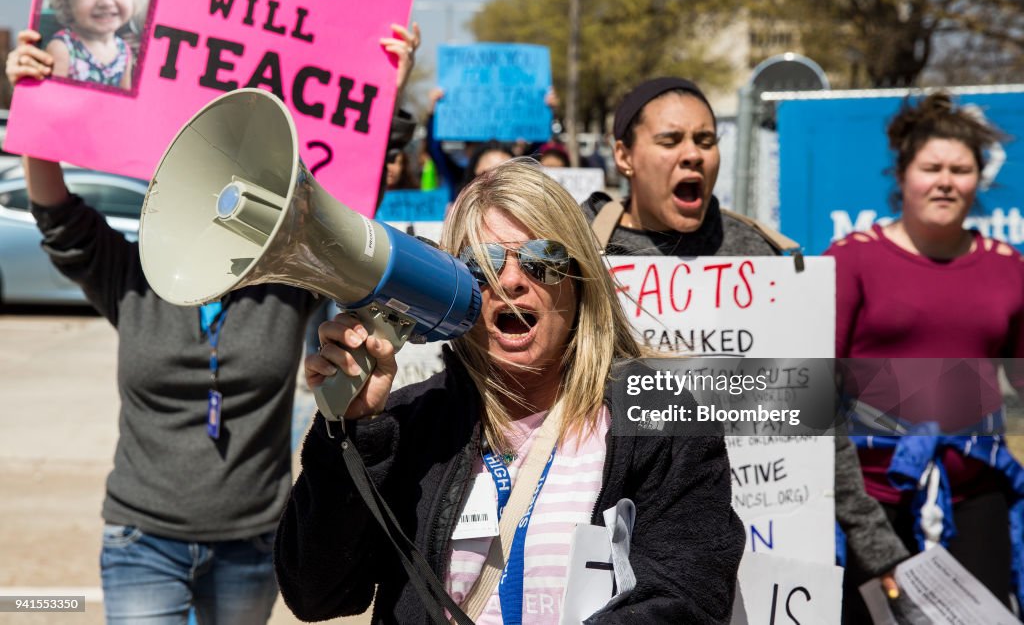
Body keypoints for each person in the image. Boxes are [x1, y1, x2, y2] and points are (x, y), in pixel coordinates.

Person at [7, 19, 421, 624]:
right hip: (141, 543)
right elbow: (56, 215)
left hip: (251, 544)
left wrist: (383, 88)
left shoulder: (287, 280)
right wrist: (37, 99)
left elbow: (348, 222)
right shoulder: (132, 275)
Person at [276, 160, 745, 623]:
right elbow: (317, 594)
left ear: (580, 281)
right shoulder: (411, 424)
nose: (513, 280)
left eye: (544, 260)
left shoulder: (660, 419)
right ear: (451, 290)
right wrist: (351, 432)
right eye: (482, 265)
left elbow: (687, 598)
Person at [582, 77, 910, 613]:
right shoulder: (582, 256)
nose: (692, 155)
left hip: (763, 553)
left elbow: (815, 414)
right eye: (670, 141)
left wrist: (878, 549)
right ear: (624, 154)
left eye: (706, 140)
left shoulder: (763, 258)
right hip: (627, 553)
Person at [827, 91, 1024, 616]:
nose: (945, 181)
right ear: (902, 175)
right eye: (930, 166)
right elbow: (812, 389)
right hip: (868, 504)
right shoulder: (850, 261)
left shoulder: (1008, 268)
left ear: (978, 179)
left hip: (975, 499)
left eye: (960, 169)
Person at [48, 0, 141, 90]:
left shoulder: (124, 51)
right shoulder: (63, 49)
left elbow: (126, 105)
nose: (106, 2)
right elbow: (49, 102)